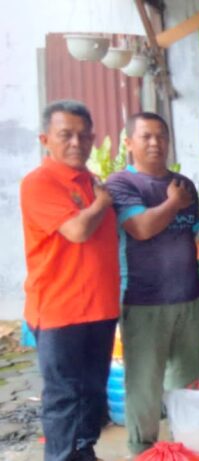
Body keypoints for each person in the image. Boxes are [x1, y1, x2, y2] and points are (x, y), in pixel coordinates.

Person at [21, 100, 118, 461]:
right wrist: (101, 203)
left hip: (100, 308)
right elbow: (77, 231)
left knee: (92, 394)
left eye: (83, 135)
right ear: (46, 139)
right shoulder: (39, 183)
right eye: (66, 135)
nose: (76, 142)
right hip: (60, 312)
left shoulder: (92, 182)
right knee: (64, 398)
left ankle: (84, 452)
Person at [106, 112, 199, 454]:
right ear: (128, 143)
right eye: (146, 136)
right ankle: (142, 451)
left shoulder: (184, 183)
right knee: (144, 386)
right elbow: (141, 228)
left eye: (161, 135)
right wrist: (173, 202)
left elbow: (193, 235)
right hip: (143, 301)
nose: (155, 142)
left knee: (186, 383)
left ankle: (186, 447)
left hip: (189, 298)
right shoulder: (122, 184)